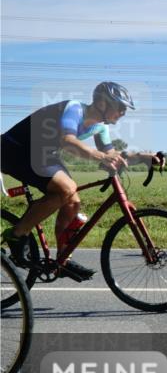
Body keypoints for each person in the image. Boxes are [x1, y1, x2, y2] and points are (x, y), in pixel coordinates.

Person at [0, 82, 158, 281]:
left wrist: (142, 156)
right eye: (120, 107)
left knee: (73, 201)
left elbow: (111, 155)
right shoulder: (74, 109)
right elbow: (68, 141)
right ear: (102, 103)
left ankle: (62, 260)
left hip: (42, 154)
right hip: (14, 150)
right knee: (66, 188)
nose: (123, 112)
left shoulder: (100, 127)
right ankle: (16, 234)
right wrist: (100, 157)